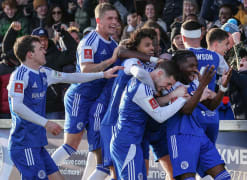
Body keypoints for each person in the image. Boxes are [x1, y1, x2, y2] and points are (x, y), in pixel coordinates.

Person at [7, 35, 121, 180]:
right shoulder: (19, 75)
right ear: (30, 54)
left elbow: (72, 77)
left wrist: (102, 75)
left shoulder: (44, 72)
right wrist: (46, 123)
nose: (45, 51)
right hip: (24, 144)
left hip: (37, 144)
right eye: (40, 49)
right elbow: (17, 106)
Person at [51, 3, 120, 180]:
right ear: (99, 20)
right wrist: (110, 61)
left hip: (97, 101)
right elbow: (85, 70)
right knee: (72, 145)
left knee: (96, 148)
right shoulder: (89, 41)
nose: (114, 22)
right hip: (80, 97)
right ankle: (41, 174)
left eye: (116, 18)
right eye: (109, 18)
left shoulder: (114, 43)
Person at [110, 60, 188, 180]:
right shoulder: (142, 87)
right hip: (127, 143)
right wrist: (182, 100)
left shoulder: (147, 80)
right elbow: (159, 116)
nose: (167, 88)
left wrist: (173, 96)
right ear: (160, 73)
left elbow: (155, 104)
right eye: (168, 83)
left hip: (132, 142)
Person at [100, 27, 157, 180]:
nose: (151, 48)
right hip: (115, 123)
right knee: (116, 175)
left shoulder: (146, 64)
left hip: (137, 126)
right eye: (147, 45)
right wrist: (155, 89)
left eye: (152, 44)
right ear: (136, 48)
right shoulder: (132, 62)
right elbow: (121, 51)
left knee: (140, 174)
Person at [165, 50, 231, 180]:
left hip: (199, 134)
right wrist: (202, 85)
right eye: (191, 66)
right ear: (178, 67)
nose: (195, 69)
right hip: (180, 136)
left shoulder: (195, 83)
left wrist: (222, 87)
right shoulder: (171, 86)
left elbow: (211, 106)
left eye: (196, 65)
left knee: (223, 176)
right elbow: (186, 109)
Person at [181, 20, 221, 143]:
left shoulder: (181, 57)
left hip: (192, 112)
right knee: (208, 156)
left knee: (192, 156)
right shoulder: (215, 56)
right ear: (201, 36)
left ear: (183, 37)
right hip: (212, 114)